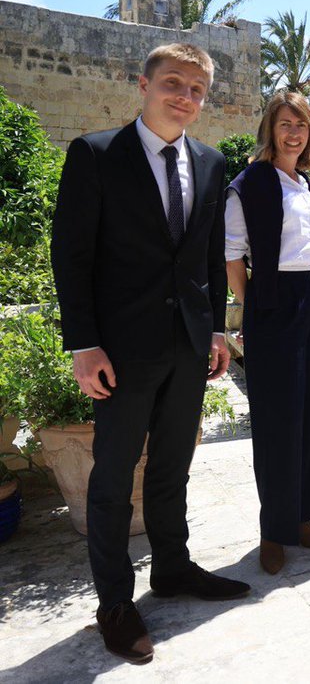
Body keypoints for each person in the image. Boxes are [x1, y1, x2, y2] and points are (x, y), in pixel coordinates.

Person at [51, 43, 248, 664]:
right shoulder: (96, 154)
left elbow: (210, 258)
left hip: (189, 345)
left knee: (171, 465)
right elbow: (72, 256)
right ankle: (114, 602)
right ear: (144, 83)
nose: (184, 96)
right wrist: (84, 344)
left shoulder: (212, 163)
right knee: (112, 478)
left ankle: (173, 567)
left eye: (196, 88)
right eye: (173, 83)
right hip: (121, 349)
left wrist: (216, 330)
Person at [226, 91, 310, 574]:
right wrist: (255, 308)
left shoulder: (304, 184)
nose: (294, 133)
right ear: (270, 128)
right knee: (276, 420)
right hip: (274, 303)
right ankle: (274, 529)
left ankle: (300, 518)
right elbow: (233, 255)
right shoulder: (249, 184)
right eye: (286, 124)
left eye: (303, 125)